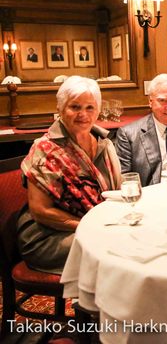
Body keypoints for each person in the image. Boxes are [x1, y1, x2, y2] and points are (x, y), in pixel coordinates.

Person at [17, 76, 121, 274]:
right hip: (48, 236)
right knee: (111, 247)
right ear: (60, 109)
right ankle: (92, 305)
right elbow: (41, 211)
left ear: (98, 110)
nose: (83, 114)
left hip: (97, 226)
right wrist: (92, 227)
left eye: (90, 107)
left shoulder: (104, 144)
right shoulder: (46, 148)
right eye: (75, 107)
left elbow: (118, 191)